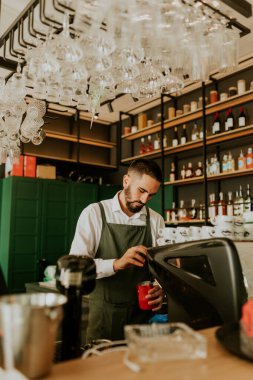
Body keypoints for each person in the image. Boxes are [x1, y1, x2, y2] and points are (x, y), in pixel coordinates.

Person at [70, 158, 165, 341]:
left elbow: (160, 269)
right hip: (102, 316)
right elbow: (77, 266)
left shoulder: (156, 220)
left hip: (141, 319)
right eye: (142, 191)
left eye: (151, 195)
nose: (145, 200)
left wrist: (160, 289)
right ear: (126, 181)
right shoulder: (94, 213)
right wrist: (116, 264)